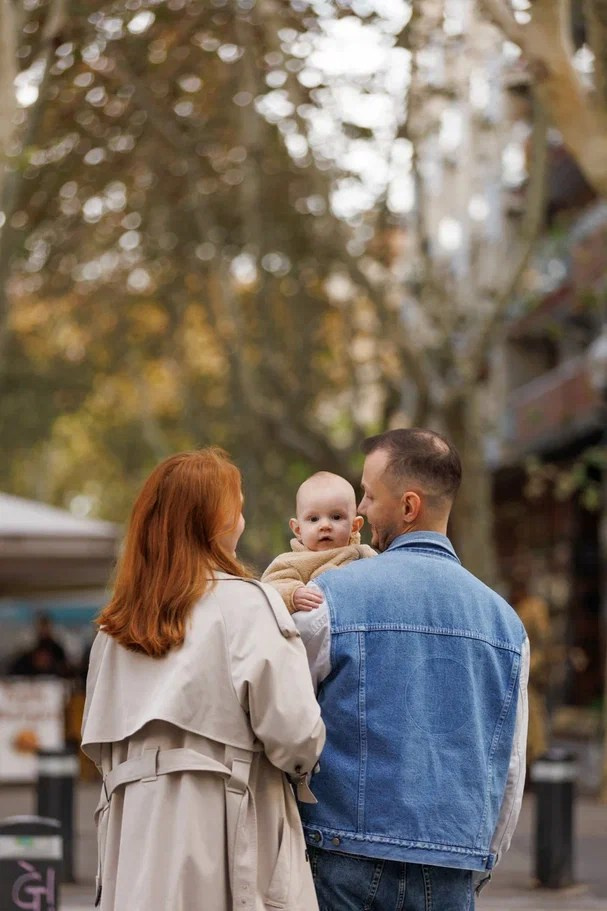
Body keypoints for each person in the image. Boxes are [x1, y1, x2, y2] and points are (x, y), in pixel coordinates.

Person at [294, 429, 529, 910]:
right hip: (451, 864)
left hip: (341, 855)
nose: (359, 509)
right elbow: (510, 766)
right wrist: (480, 858)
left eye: (369, 495)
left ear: (408, 507)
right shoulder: (507, 626)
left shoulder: (329, 598)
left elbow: (289, 720)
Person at [81, 448, 325, 911]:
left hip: (131, 853)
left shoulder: (112, 632)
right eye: (237, 509)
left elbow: (99, 750)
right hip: (227, 844)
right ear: (215, 521)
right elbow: (297, 738)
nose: (242, 522)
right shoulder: (250, 606)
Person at [262, 471, 376, 613]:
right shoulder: (292, 562)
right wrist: (292, 595)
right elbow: (269, 589)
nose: (325, 525)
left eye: (336, 517)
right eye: (314, 519)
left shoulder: (365, 554)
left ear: (354, 526)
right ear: (298, 530)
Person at [9, 613, 70, 677]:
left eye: (46, 626)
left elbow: (65, 669)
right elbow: (17, 667)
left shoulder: (57, 650)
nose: (44, 630)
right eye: (41, 626)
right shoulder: (31, 648)